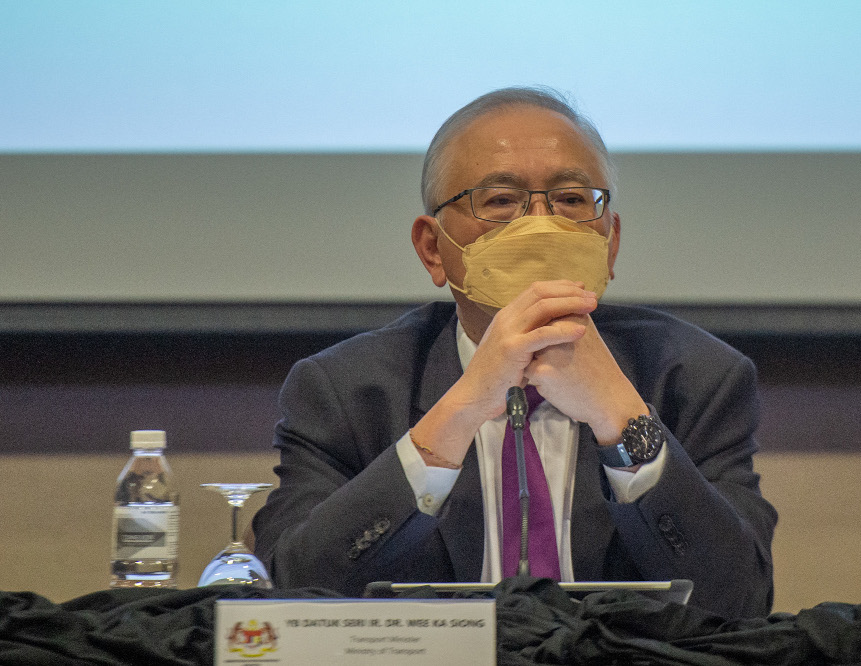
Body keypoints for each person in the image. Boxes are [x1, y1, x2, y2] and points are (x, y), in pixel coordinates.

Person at [252, 86, 777, 618]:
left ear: (610, 243)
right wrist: (460, 412)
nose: (540, 224)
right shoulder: (346, 390)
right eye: (501, 201)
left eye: (572, 200)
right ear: (433, 249)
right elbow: (289, 593)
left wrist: (622, 419)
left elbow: (740, 603)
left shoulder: (697, 379)